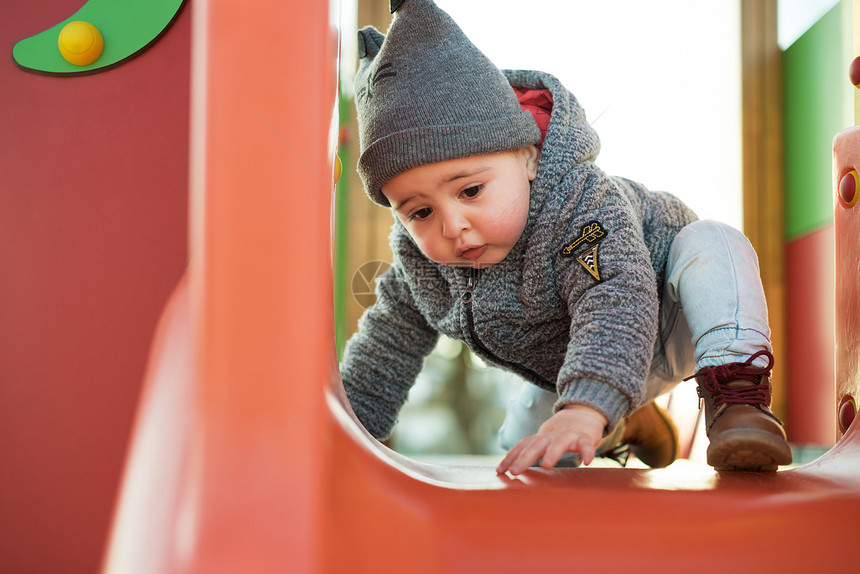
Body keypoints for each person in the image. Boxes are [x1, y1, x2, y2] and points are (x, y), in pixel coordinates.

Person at [340, 0, 792, 474]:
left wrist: (584, 407)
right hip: (584, 354)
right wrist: (347, 428)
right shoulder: (424, 265)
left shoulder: (578, 204)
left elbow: (614, 295)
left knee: (713, 243)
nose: (452, 227)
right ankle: (629, 420)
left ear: (529, 158)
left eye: (471, 190)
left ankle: (737, 395)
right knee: (526, 449)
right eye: (420, 212)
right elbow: (385, 345)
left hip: (672, 318)